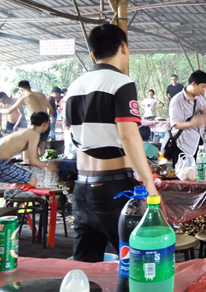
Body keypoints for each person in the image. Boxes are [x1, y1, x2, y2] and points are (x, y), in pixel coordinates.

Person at [63, 24, 158, 262]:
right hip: (114, 189)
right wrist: (148, 182)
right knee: (137, 263)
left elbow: (74, 137)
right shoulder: (121, 82)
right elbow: (129, 136)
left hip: (82, 189)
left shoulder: (74, 87)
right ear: (124, 47)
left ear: (92, 54)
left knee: (86, 267)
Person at [0, 112, 57, 186]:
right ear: (45, 124)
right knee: (32, 180)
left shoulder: (24, 131)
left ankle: (12, 194)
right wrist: (47, 165)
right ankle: (13, 194)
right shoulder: (34, 134)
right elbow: (33, 161)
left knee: (19, 183)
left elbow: (28, 158)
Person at [166, 70, 206, 167]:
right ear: (193, 84)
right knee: (185, 173)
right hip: (182, 145)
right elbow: (176, 124)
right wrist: (193, 123)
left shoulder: (199, 98)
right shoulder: (177, 100)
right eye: (203, 87)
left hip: (198, 142)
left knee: (202, 172)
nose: (204, 90)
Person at [0, 81, 52, 158]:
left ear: (21, 89)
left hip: (37, 124)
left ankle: (30, 161)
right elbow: (50, 108)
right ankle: (37, 161)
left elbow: (9, 111)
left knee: (30, 146)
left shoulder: (24, 98)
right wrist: (46, 118)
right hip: (46, 124)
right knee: (41, 149)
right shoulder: (41, 95)